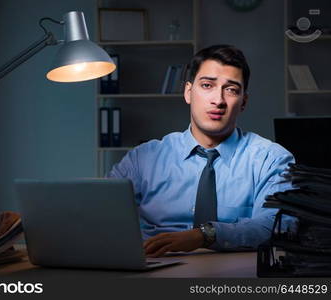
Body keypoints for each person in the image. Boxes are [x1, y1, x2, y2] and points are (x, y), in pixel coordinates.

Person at [108, 45, 294, 257]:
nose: (218, 100)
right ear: (188, 92)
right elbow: (100, 211)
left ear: (243, 102)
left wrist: (205, 235)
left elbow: (278, 225)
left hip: (232, 278)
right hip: (153, 270)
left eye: (231, 90)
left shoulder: (271, 159)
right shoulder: (142, 159)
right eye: (207, 85)